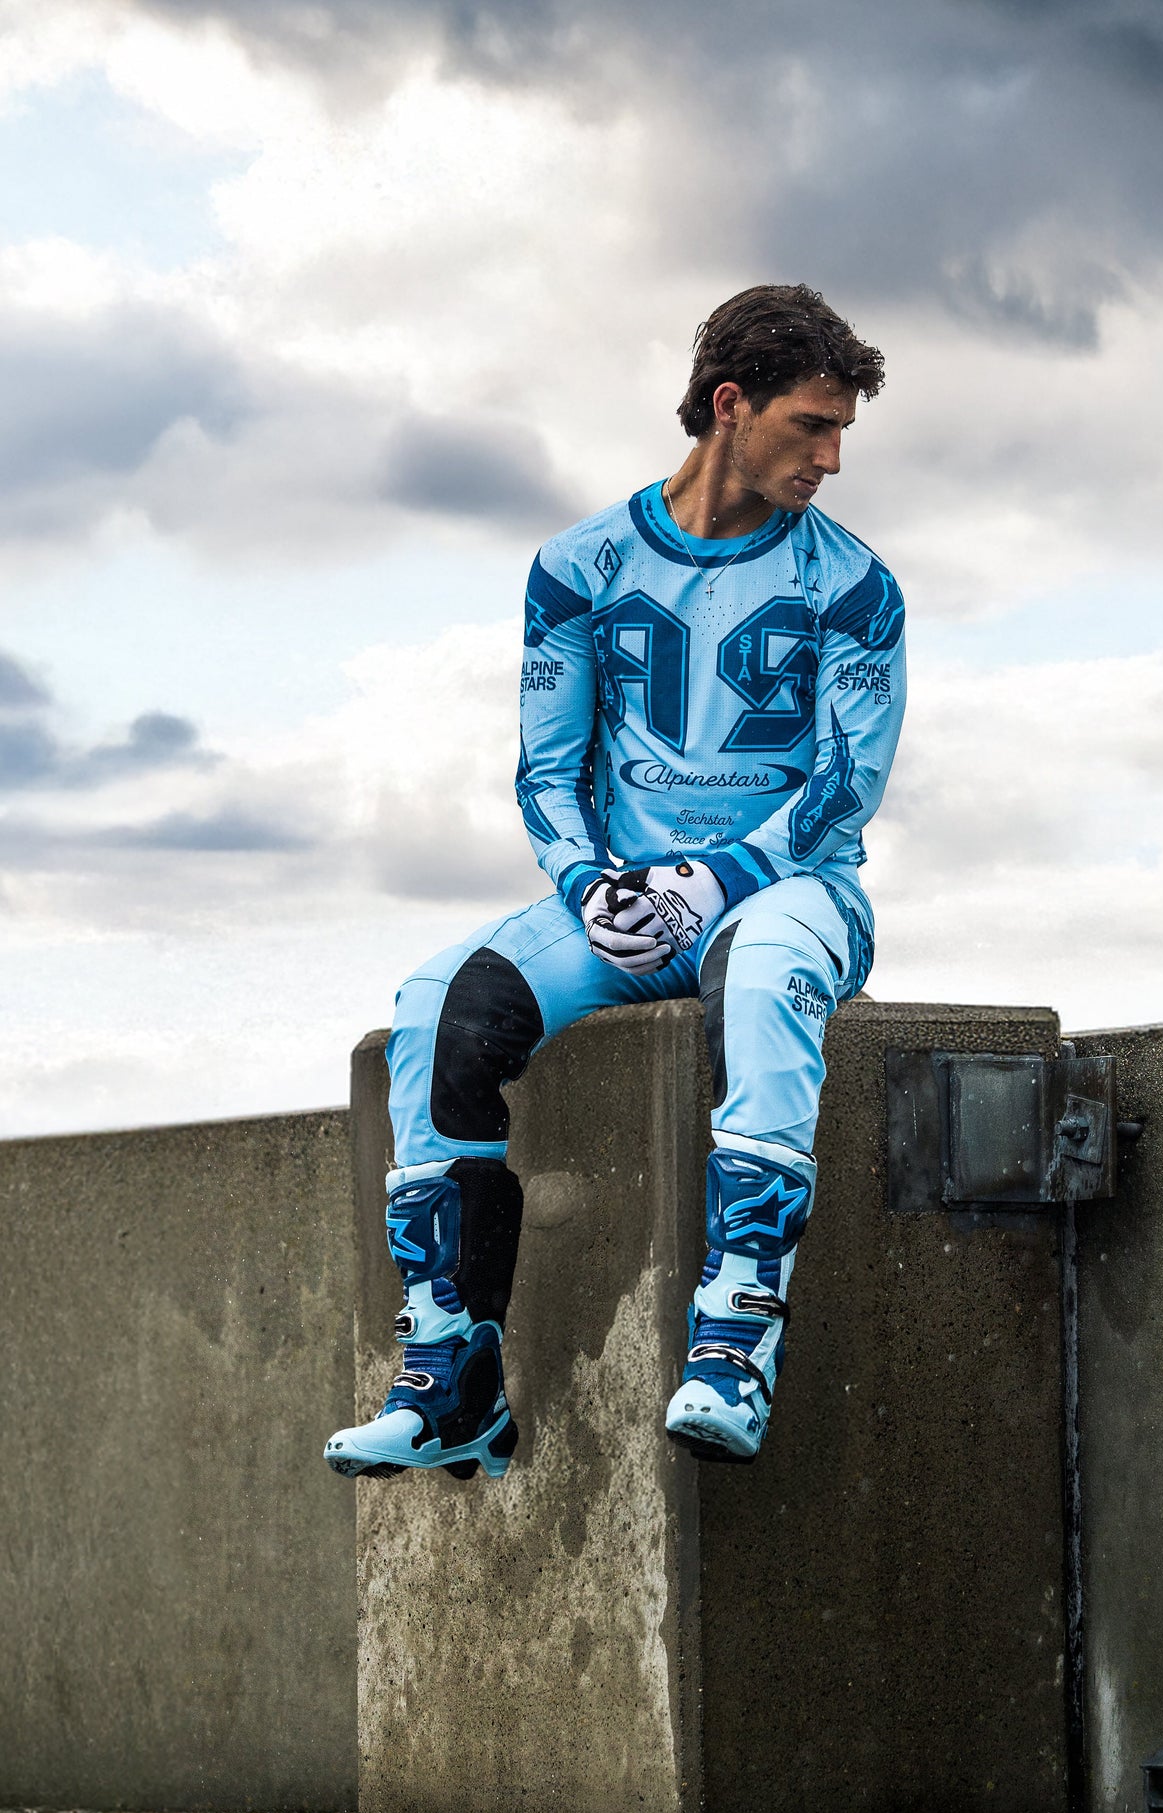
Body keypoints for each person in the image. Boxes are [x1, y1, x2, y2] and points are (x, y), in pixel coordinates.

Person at [324, 284, 905, 1477]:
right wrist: (591, 884)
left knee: (764, 976)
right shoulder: (577, 566)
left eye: (843, 431)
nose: (832, 458)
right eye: (812, 425)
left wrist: (713, 878)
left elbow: (846, 786)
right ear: (730, 404)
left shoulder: (854, 586)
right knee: (436, 1009)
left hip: (793, 892)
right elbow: (546, 773)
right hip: (627, 906)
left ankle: (733, 1348)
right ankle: (453, 1383)